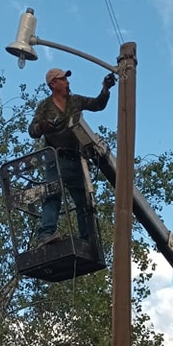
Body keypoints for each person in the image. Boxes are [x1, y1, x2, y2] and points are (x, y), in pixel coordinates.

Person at [28, 67, 116, 246]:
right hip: (56, 159)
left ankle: (87, 239)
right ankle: (46, 234)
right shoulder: (45, 106)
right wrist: (42, 127)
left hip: (76, 159)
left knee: (83, 201)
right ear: (53, 84)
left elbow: (97, 104)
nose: (67, 82)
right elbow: (32, 130)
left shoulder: (75, 101)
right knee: (52, 195)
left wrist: (105, 89)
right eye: (63, 79)